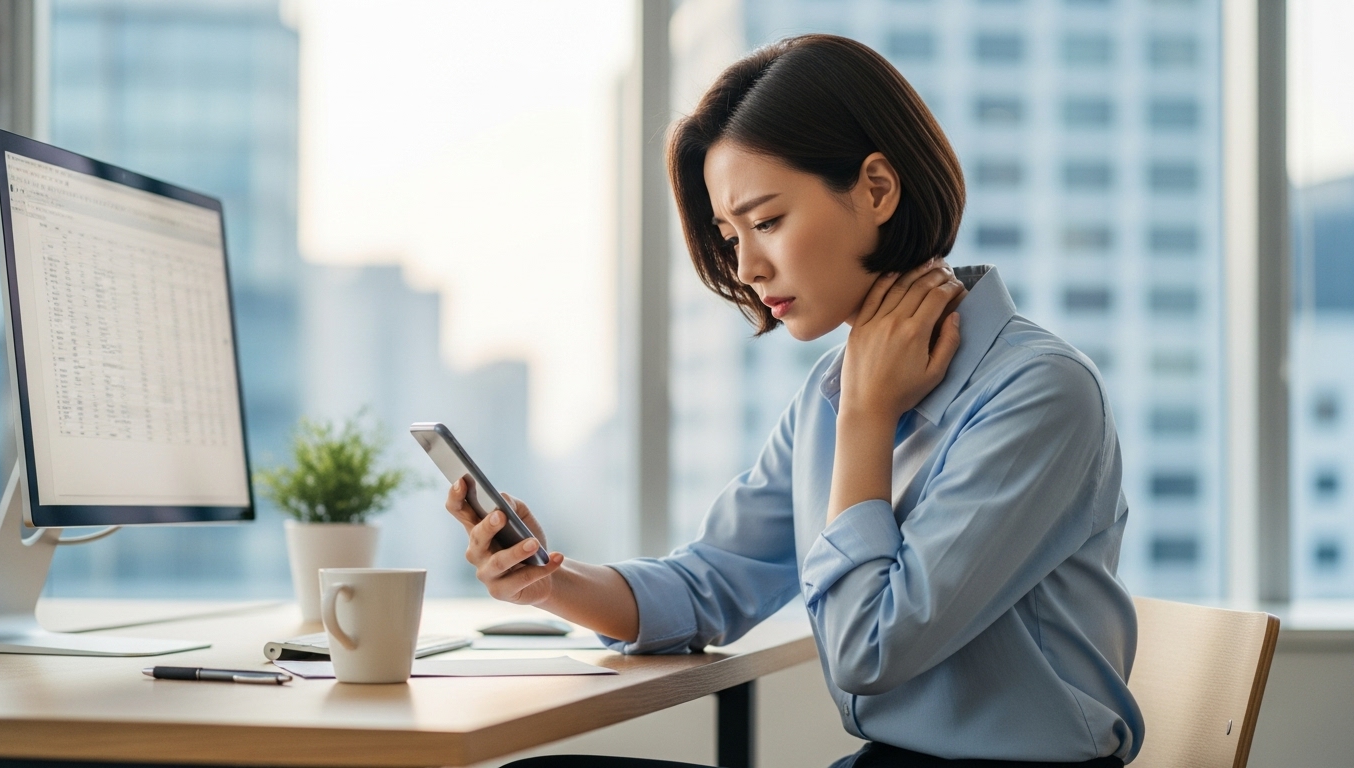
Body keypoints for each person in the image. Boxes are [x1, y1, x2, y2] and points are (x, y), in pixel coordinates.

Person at [445, 34, 1143, 768]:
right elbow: (710, 583)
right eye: (729, 236)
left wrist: (867, 419)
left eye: (767, 222)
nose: (746, 266)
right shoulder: (834, 392)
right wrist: (548, 580)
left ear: (877, 190)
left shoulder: (1038, 392)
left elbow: (869, 651)